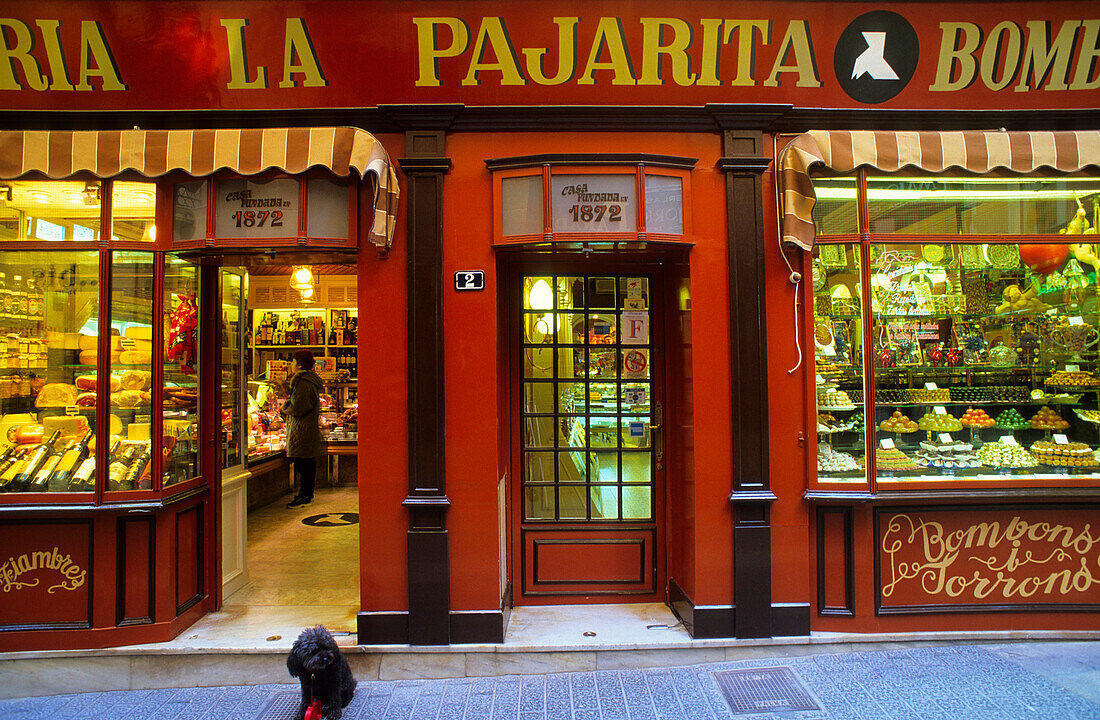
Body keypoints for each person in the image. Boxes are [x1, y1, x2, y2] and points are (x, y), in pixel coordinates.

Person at [282, 349, 324, 508]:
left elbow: (299, 407)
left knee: (303, 464)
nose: (291, 365)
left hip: (302, 429)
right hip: (306, 428)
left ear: (299, 364)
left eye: (292, 362)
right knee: (307, 463)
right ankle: (306, 493)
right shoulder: (307, 381)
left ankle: (304, 494)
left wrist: (284, 408)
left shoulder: (302, 383)